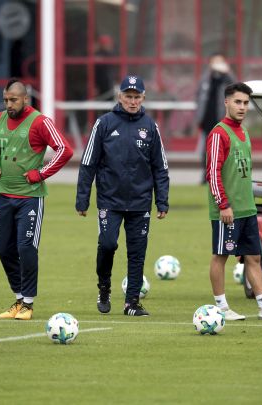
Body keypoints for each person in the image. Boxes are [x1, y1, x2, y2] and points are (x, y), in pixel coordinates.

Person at [76, 75, 169, 316]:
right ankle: (104, 287)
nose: (132, 101)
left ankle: (132, 303)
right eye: (128, 96)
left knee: (137, 253)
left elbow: (161, 167)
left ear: (143, 98)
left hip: (140, 202)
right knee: (108, 244)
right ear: (119, 97)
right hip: (110, 200)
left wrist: (162, 200)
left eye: (137, 97)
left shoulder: (150, 126)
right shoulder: (104, 123)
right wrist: (83, 198)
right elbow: (88, 163)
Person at [206, 82, 262, 322]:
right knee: (220, 256)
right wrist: (223, 204)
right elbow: (212, 173)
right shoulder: (218, 133)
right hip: (228, 211)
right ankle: (221, 307)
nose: (242, 107)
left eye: (246, 103)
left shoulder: (244, 132)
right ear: (226, 102)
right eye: (238, 102)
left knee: (253, 258)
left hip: (247, 210)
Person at [0, 78, 73, 320]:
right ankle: (18, 298)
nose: (8, 104)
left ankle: (28, 302)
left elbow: (64, 150)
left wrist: (41, 173)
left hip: (30, 198)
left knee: (26, 247)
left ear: (26, 99)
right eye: (5, 99)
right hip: (4, 195)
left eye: (13, 99)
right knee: (3, 248)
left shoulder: (40, 122)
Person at [195, 53, 236, 183]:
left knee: (222, 148)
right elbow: (198, 96)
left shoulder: (227, 79)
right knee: (206, 149)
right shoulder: (206, 78)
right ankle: (206, 175)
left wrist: (227, 72)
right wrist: (199, 116)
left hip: (222, 119)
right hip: (207, 119)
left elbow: (236, 88)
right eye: (214, 62)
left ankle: (221, 177)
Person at [94, 34, 116, 100]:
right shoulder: (100, 55)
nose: (109, 45)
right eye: (106, 44)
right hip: (101, 85)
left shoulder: (111, 55)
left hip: (108, 84)